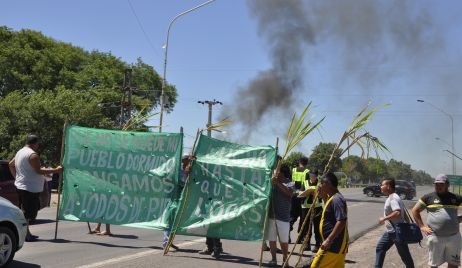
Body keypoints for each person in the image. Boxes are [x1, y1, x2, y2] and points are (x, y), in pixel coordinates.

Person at [8, 134, 62, 242]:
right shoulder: (32, 155)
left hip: (22, 186)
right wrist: (56, 170)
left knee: (26, 212)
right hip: (29, 188)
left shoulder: (20, 152)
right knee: (28, 214)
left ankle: (27, 233)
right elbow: (38, 171)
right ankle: (25, 235)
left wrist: (17, 177)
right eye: (38, 144)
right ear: (35, 143)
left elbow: (10, 164)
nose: (38, 146)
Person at [412, 174, 462, 268]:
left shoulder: (456, 197)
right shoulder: (428, 197)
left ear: (447, 185)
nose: (438, 186)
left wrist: (459, 218)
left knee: (454, 264)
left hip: (454, 237)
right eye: (436, 184)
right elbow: (415, 210)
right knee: (433, 265)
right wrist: (422, 226)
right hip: (435, 237)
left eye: (441, 184)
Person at [310, 172, 348, 268]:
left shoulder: (337, 199)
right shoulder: (332, 198)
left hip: (333, 246)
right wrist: (323, 196)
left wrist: (328, 240)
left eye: (322, 183)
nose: (320, 185)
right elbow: (329, 208)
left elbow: (342, 220)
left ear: (328, 184)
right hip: (337, 245)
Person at [374, 178, 414, 268]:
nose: (381, 187)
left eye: (382, 185)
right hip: (391, 231)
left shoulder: (392, 198)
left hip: (396, 232)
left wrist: (384, 218)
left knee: (404, 255)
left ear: (388, 186)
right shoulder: (395, 196)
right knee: (380, 248)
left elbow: (397, 212)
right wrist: (407, 224)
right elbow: (403, 211)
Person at [266, 164, 294, 266]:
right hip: (271, 216)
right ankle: (273, 259)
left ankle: (285, 260)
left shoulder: (290, 183)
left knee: (283, 241)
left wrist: (277, 182)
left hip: (283, 218)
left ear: (282, 173)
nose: (275, 173)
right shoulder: (272, 183)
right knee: (272, 240)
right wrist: (273, 182)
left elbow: (289, 193)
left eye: (277, 171)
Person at [297, 170, 322, 252]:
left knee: (317, 227)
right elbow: (300, 193)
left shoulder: (320, 183)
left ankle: (318, 244)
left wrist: (317, 192)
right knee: (306, 227)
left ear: (317, 176)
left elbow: (324, 194)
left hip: (317, 207)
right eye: (311, 176)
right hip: (306, 207)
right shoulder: (305, 182)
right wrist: (306, 193)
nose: (312, 177)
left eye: (314, 176)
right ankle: (307, 244)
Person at [290, 156, 309, 242]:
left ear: (299, 162)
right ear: (306, 163)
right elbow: (307, 185)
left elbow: (290, 182)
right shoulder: (307, 172)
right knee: (302, 217)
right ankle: (300, 238)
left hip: (293, 195)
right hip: (302, 196)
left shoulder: (293, 170)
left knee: (292, 216)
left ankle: (287, 235)